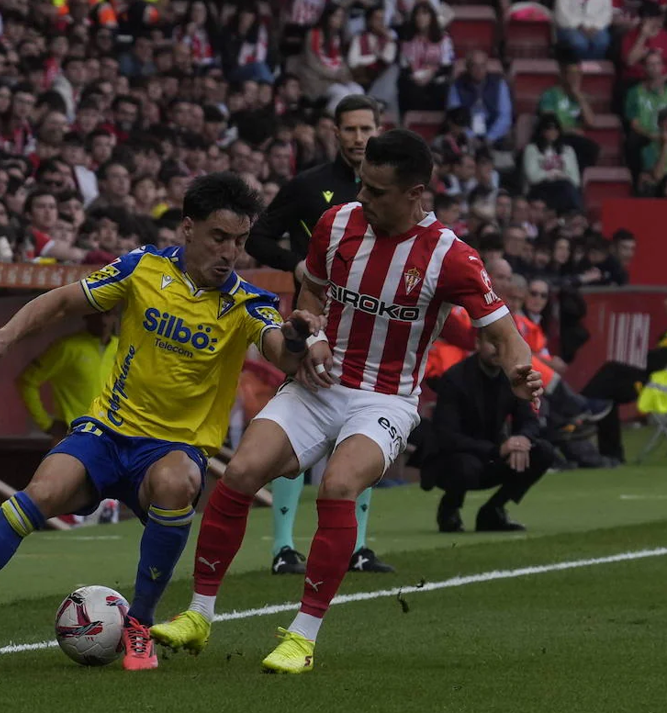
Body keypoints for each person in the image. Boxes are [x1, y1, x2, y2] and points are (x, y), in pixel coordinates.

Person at [0, 172, 324, 671]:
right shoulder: (142, 269)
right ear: (188, 228)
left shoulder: (247, 302)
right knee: (39, 494)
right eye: (220, 237)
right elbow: (62, 300)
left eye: (241, 241)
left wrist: (295, 336)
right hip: (106, 432)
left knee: (179, 480)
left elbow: (281, 352)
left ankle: (137, 627)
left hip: (171, 449)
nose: (231, 252)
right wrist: (4, 337)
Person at [151, 129, 542, 674]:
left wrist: (522, 371)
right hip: (322, 381)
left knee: (337, 485)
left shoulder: (450, 257)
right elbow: (310, 288)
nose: (365, 197)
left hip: (385, 399)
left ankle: (302, 637)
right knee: (239, 472)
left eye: (378, 191)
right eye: (362, 184)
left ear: (415, 194)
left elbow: (503, 332)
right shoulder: (337, 224)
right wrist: (309, 327)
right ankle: (197, 615)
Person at [244, 94, 393, 575]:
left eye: (366, 128)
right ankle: (283, 548)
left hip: (372, 327)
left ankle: (358, 547)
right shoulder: (309, 187)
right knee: (300, 424)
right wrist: (301, 267)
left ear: (379, 128)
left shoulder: (394, 187)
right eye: (349, 129)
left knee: (362, 426)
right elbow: (257, 237)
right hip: (314, 322)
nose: (358, 138)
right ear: (335, 132)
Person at [421, 332, 555, 532]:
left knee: (543, 451)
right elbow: (446, 436)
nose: (498, 349)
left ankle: (493, 510)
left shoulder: (512, 377)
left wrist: (521, 439)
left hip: (493, 456)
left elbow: (530, 420)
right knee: (465, 465)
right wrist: (497, 450)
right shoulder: (455, 378)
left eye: (502, 342)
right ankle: (450, 508)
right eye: (492, 343)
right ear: (477, 343)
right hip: (452, 460)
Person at [15, 311, 118, 441]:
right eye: (97, 314)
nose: (103, 321)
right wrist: (46, 423)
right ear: (86, 315)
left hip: (111, 435)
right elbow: (27, 381)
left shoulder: (122, 348)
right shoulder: (67, 347)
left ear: (116, 316)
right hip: (73, 435)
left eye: (108, 314)